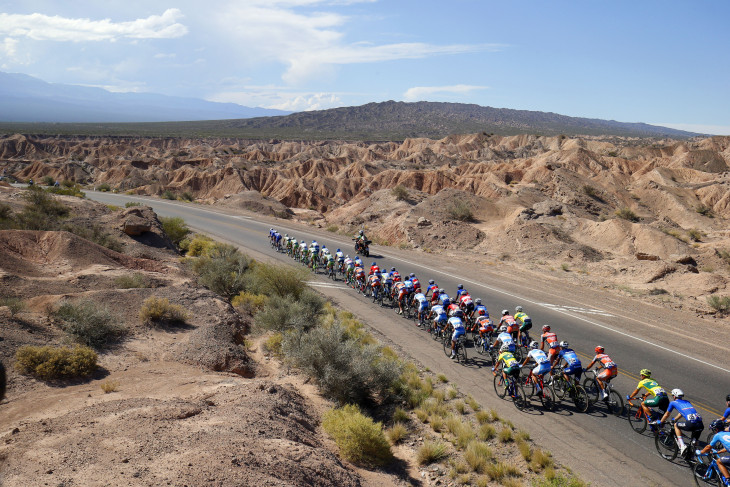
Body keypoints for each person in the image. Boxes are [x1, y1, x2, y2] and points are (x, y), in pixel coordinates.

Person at [655, 389, 704, 456]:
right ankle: (695, 456)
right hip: (700, 424)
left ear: (674, 396)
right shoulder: (687, 402)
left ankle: (682, 445)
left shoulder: (673, 403)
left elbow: (667, 414)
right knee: (694, 442)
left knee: (676, 425)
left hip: (691, 424)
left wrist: (661, 421)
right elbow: (681, 413)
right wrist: (675, 419)